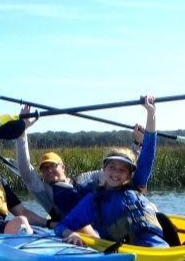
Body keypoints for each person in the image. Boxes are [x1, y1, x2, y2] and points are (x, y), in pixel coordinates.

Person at [54, 95, 169, 248]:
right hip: (126, 254)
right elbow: (61, 227)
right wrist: (71, 234)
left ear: (128, 175)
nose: (116, 173)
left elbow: (148, 152)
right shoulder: (93, 201)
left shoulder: (137, 183)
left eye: (122, 170)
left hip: (160, 250)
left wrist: (151, 113)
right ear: (104, 169)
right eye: (112, 167)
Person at [14, 105, 149, 225]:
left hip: (102, 225)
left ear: (63, 167)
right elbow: (25, 170)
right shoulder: (44, 191)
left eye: (52, 166)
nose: (48, 170)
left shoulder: (84, 178)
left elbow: (118, 169)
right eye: (44, 168)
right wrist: (22, 132)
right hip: (75, 232)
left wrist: (138, 144)